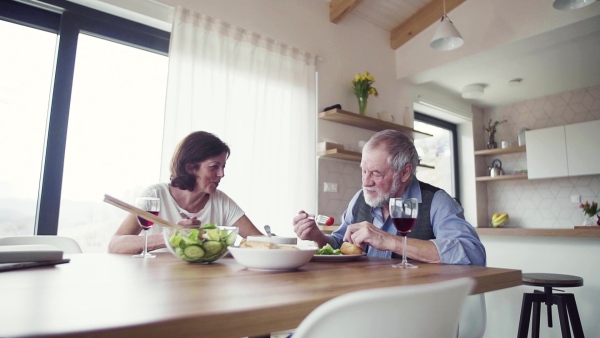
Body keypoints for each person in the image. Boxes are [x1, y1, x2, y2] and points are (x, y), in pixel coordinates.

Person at [293, 129, 486, 266]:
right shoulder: (361, 198)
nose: (366, 182)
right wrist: (318, 237)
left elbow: (473, 253)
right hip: (368, 302)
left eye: (376, 174)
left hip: (420, 311)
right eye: (364, 171)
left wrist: (390, 241)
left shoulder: (437, 202)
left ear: (404, 173)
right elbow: (340, 244)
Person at [109, 131, 263, 254]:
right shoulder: (155, 195)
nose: (221, 174)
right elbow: (115, 245)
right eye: (214, 167)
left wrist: (282, 242)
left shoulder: (221, 201)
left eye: (223, 167)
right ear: (191, 168)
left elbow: (259, 240)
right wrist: (170, 236)